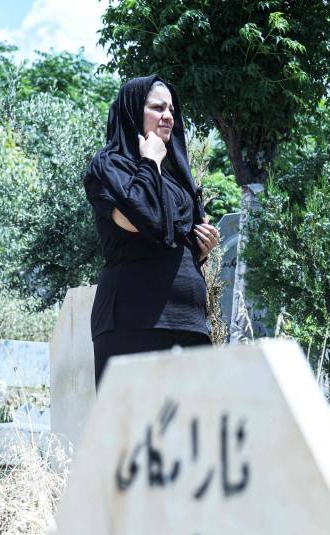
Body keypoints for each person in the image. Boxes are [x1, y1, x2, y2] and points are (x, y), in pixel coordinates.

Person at [84, 75, 220, 386]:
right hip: (134, 322)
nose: (168, 116)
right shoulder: (108, 168)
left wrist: (200, 248)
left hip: (190, 323)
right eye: (157, 108)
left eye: (172, 109)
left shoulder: (175, 180)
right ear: (133, 111)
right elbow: (143, 220)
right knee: (133, 433)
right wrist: (150, 162)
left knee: (195, 432)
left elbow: (167, 241)